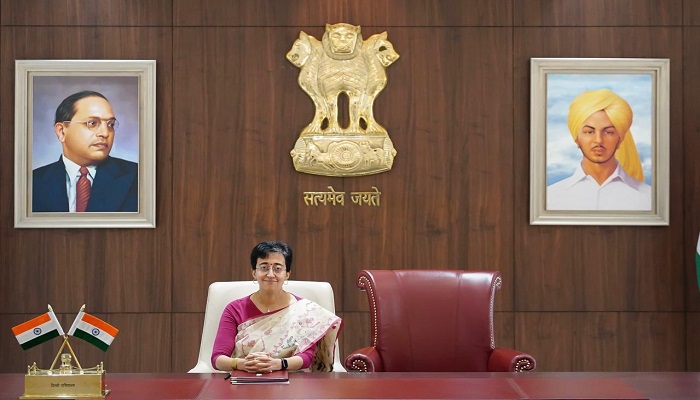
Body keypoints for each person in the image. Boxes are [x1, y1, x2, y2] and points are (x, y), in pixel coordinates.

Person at [211, 241, 342, 373]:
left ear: (287, 274)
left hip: (290, 379)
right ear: (254, 272)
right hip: (245, 377)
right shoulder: (234, 309)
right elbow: (217, 358)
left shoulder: (305, 311)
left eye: (277, 268)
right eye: (264, 267)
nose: (270, 274)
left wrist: (278, 364)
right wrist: (243, 364)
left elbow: (307, 357)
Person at [32, 90, 138, 212]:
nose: (105, 133)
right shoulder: (30, 183)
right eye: (92, 123)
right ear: (61, 131)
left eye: (111, 125)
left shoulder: (139, 178)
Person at [547, 88, 651, 210]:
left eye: (608, 132)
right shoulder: (550, 198)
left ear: (620, 139)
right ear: (577, 139)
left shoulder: (648, 198)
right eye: (589, 132)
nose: (598, 140)